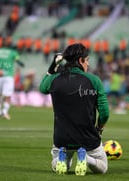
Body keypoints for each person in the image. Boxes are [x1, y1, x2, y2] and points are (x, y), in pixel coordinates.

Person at [39, 43, 109, 176]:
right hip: (87, 138)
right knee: (103, 167)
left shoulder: (54, 79)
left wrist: (53, 66)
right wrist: (99, 129)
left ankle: (61, 159)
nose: (88, 64)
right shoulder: (94, 81)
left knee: (61, 165)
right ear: (81, 60)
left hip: (62, 138)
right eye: (87, 60)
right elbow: (105, 113)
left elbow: (42, 88)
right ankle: (86, 158)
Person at [0, 41, 24, 120]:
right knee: (8, 95)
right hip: (8, 76)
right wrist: (21, 63)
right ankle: (5, 112)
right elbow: (18, 60)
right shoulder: (13, 52)